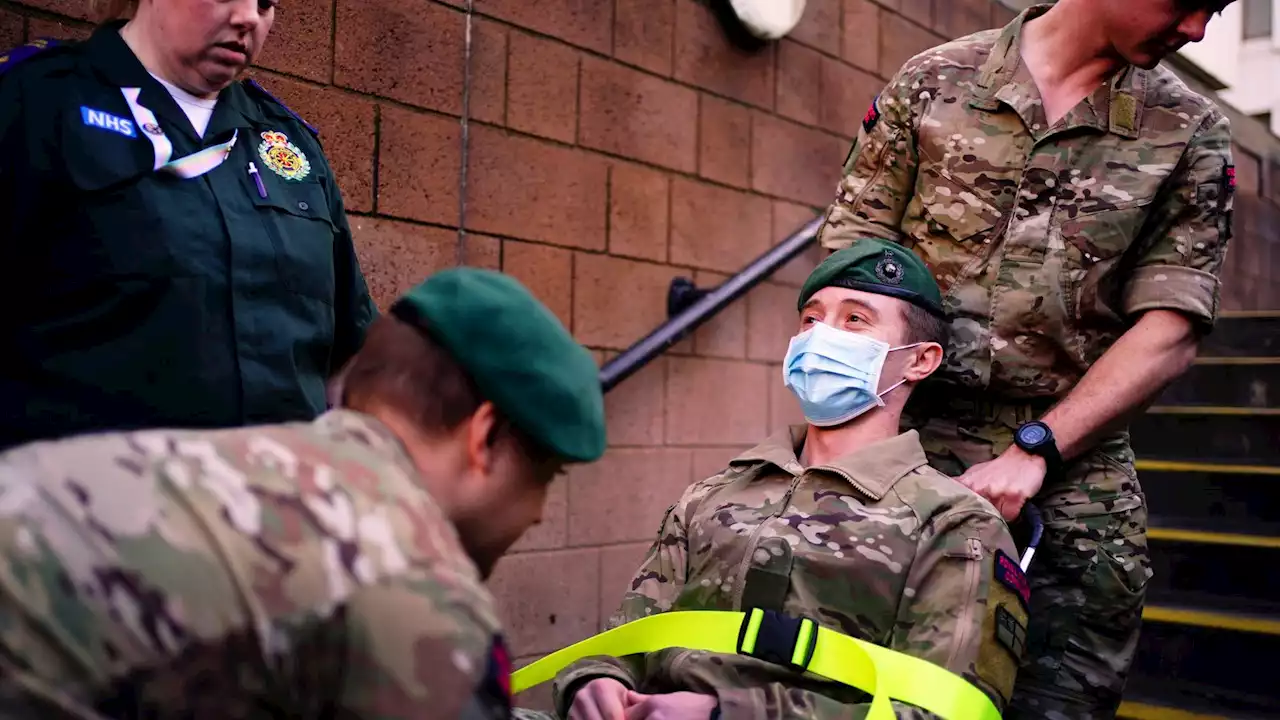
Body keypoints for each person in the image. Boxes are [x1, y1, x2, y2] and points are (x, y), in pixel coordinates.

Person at [815, 1, 1235, 716]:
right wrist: (854, 432)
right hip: (899, 451)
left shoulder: (1191, 129)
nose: (1196, 30)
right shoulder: (934, 82)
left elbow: (1171, 324)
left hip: (1071, 482)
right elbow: (851, 260)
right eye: (1184, 0)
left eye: (1215, 10)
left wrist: (1038, 447)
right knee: (847, 692)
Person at [0, 268, 606, 719]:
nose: (538, 514)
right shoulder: (411, 580)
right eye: (544, 479)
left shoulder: (243, 467)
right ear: (485, 435)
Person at [543, 240, 1030, 720]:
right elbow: (628, 636)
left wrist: (728, 714)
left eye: (854, 320)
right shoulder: (712, 496)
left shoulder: (953, 524)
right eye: (811, 319)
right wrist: (594, 679)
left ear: (920, 359)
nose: (821, 336)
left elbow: (949, 712)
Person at [0, 0, 377, 451]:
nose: (248, 18)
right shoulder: (38, 102)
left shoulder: (289, 144)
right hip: (96, 509)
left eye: (265, 3)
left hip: (275, 509)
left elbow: (349, 357)